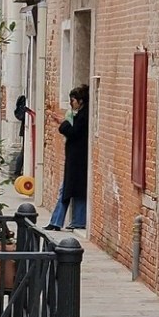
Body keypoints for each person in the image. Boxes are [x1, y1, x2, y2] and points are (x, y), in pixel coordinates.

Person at [46, 85, 90, 231]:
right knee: (74, 190)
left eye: (73, 100)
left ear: (80, 101)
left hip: (77, 160)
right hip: (77, 160)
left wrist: (63, 123)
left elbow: (72, 131)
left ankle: (57, 222)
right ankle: (76, 221)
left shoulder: (83, 117)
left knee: (66, 190)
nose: (71, 104)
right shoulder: (82, 115)